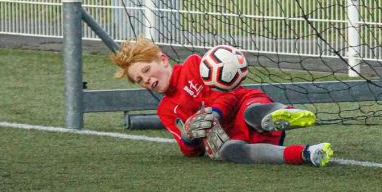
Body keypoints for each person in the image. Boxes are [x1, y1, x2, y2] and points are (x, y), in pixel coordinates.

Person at [110, 37, 334, 167]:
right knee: (227, 152)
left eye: (147, 71)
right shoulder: (166, 111)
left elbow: (230, 94)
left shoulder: (195, 65)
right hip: (231, 136)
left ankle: (283, 114)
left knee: (252, 111)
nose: (147, 80)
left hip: (244, 107)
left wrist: (214, 112)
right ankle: (306, 153)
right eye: (140, 80)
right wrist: (189, 136)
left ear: (163, 59)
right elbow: (189, 151)